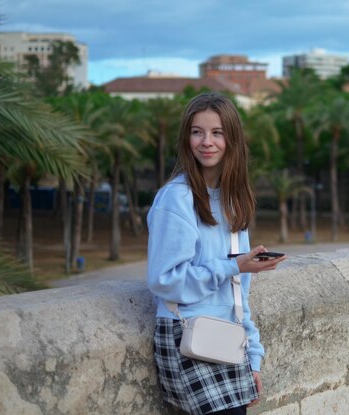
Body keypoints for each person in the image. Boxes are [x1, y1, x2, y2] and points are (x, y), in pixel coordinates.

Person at [147, 92, 286, 415]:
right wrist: (233, 266)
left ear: (232, 140)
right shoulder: (176, 199)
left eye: (217, 132)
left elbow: (239, 296)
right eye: (197, 132)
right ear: (186, 138)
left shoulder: (232, 201)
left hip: (227, 337)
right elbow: (164, 281)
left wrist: (253, 356)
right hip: (188, 337)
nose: (206, 142)